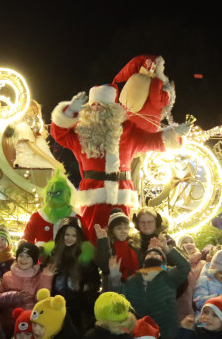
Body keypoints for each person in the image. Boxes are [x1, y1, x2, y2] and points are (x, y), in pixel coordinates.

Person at [50, 84, 188, 239]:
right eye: (93, 105)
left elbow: (153, 141)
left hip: (122, 192)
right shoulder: (81, 134)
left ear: (112, 108)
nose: (95, 109)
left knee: (121, 236)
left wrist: (175, 133)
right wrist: (69, 112)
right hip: (93, 193)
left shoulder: (128, 131)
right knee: (93, 235)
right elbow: (58, 133)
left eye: (100, 105)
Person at [113, 241, 190, 339]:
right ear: (143, 262)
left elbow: (185, 267)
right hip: (141, 335)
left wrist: (167, 249)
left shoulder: (169, 276)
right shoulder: (132, 281)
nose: (153, 256)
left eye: (157, 254)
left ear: (163, 261)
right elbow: (119, 300)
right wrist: (114, 277)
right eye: (149, 254)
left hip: (166, 335)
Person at [44, 219, 100, 332]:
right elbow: (43, 279)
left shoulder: (84, 259)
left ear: (78, 237)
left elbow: (95, 282)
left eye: (74, 235)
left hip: (78, 310)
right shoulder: (53, 256)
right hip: (55, 306)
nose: (69, 238)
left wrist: (84, 287)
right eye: (67, 234)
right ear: (61, 235)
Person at [93, 210, 139, 285]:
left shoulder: (134, 245)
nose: (123, 231)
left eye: (126, 228)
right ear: (112, 231)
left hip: (133, 289)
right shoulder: (108, 245)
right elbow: (105, 267)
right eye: (119, 228)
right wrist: (103, 242)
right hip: (113, 289)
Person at [174, 234, 206, 321]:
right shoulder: (176, 265)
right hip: (183, 306)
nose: (189, 244)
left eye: (191, 242)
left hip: (202, 306)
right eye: (185, 242)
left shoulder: (204, 263)